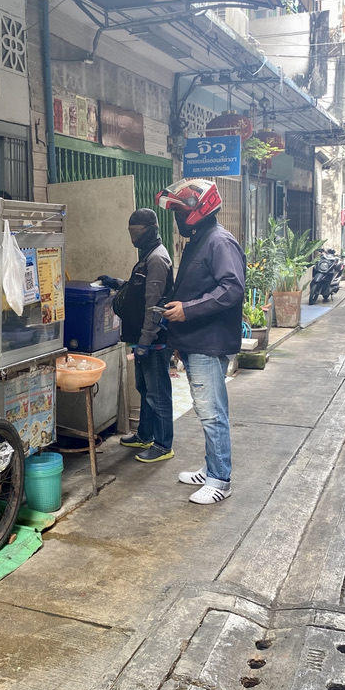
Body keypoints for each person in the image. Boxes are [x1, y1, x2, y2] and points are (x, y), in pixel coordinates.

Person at [155, 179, 245, 505]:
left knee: (212, 413)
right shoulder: (199, 239)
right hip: (196, 341)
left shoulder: (219, 242)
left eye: (181, 210)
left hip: (209, 343)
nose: (177, 217)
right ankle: (211, 469)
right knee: (205, 410)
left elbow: (232, 288)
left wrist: (187, 311)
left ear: (199, 209)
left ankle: (220, 480)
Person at [97, 208, 175, 463]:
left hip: (153, 340)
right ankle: (145, 434)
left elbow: (154, 305)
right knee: (144, 387)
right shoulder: (147, 256)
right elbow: (137, 289)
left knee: (158, 392)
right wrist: (116, 283)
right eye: (130, 231)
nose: (133, 236)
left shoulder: (157, 259)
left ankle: (163, 445)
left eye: (137, 231)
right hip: (142, 339)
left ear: (151, 228)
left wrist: (144, 342)